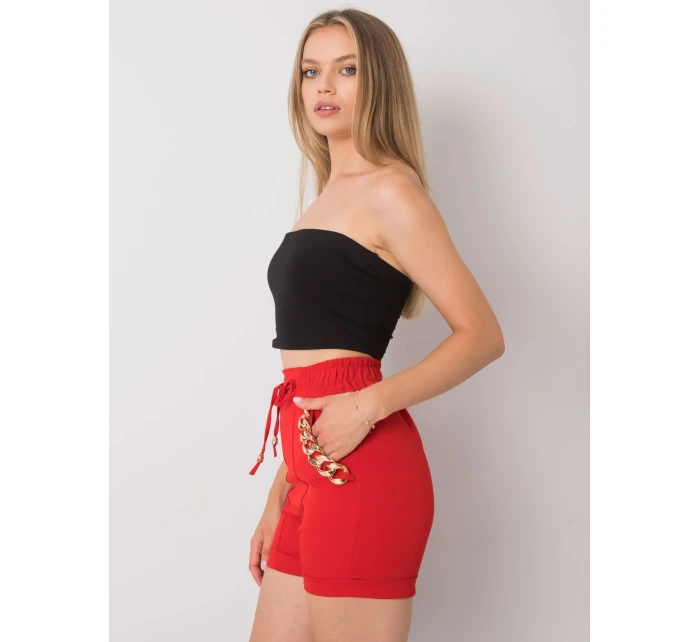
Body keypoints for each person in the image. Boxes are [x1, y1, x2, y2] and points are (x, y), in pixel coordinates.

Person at [248, 8, 505, 642]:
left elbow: (482, 334)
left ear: (379, 81)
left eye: (347, 69)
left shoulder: (392, 192)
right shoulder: (326, 196)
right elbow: (309, 377)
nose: (323, 86)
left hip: (364, 466)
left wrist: (367, 406)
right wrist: (282, 486)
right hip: (311, 463)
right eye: (311, 71)